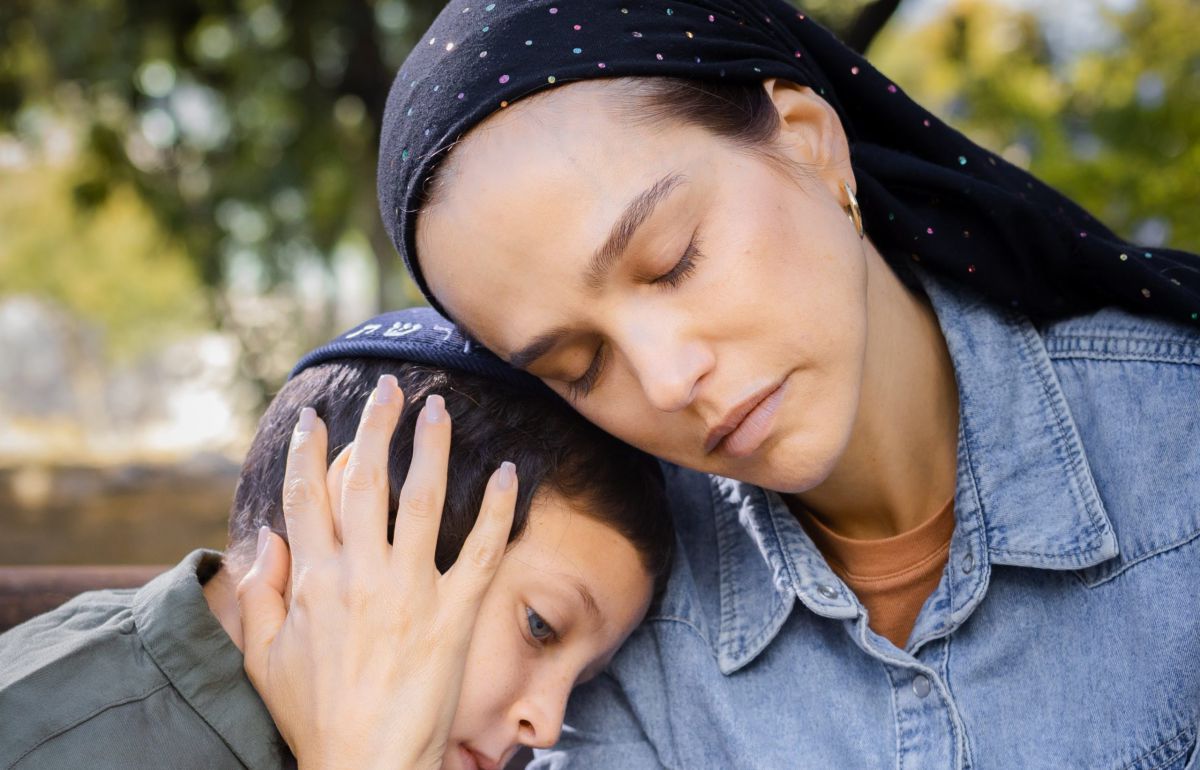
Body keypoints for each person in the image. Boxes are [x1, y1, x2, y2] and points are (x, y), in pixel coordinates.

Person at [241, 1, 1200, 768]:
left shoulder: (1178, 446)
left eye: (673, 261)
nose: (667, 379)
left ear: (810, 143)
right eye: (581, 367)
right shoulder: (616, 632)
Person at [0, 307, 672, 770]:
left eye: (583, 680)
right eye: (540, 626)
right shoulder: (58, 739)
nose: (546, 726)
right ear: (356, 524)